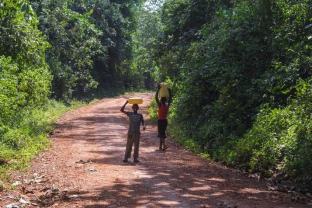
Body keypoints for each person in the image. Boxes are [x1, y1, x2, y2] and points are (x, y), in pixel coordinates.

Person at [155, 84, 172, 151]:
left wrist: (158, 89)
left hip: (160, 121)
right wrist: (170, 92)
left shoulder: (160, 105)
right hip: (165, 121)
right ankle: (161, 147)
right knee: (163, 133)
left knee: (161, 133)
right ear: (165, 100)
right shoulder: (167, 105)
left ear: (161, 100)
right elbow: (170, 99)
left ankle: (163, 145)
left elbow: (156, 98)